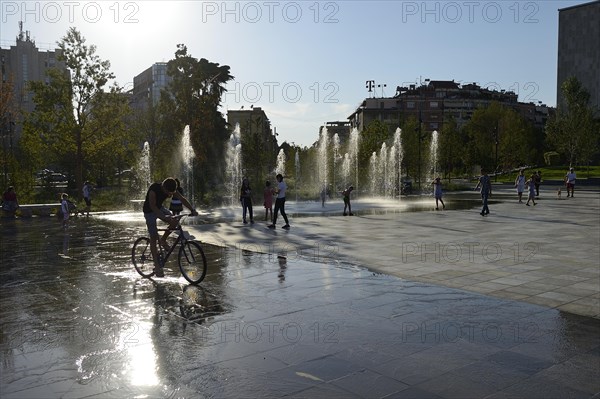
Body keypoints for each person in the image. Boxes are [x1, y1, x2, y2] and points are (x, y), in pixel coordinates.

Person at [143, 177, 198, 277]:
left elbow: (182, 199)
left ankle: (163, 240)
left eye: (172, 193)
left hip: (159, 208)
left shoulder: (170, 188)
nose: (170, 195)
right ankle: (157, 265)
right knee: (154, 237)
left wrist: (192, 209)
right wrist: (164, 217)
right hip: (149, 211)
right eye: (168, 193)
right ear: (164, 187)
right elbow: (153, 207)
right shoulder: (153, 190)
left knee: (175, 221)